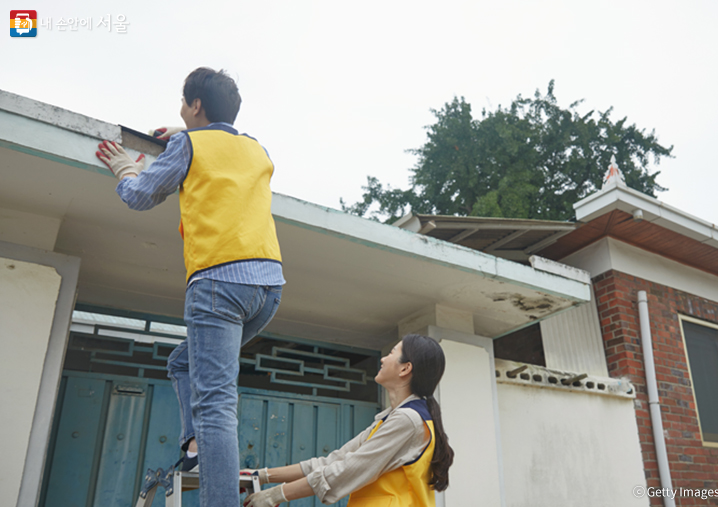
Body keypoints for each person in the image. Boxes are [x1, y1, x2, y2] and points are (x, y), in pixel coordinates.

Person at [95, 67, 285, 507]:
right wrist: (184, 132)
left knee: (216, 404)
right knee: (183, 362)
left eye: (185, 103)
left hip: (219, 282)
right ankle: (196, 450)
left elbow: (141, 195)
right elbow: (219, 145)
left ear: (196, 105)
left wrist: (125, 167)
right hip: (268, 289)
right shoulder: (256, 149)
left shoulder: (187, 144)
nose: (181, 109)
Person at [241, 333, 455, 507]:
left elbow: (347, 470)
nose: (383, 358)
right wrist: (263, 475)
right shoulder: (391, 417)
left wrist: (275, 495)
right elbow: (333, 461)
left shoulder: (409, 420)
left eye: (391, 353)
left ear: (405, 368)